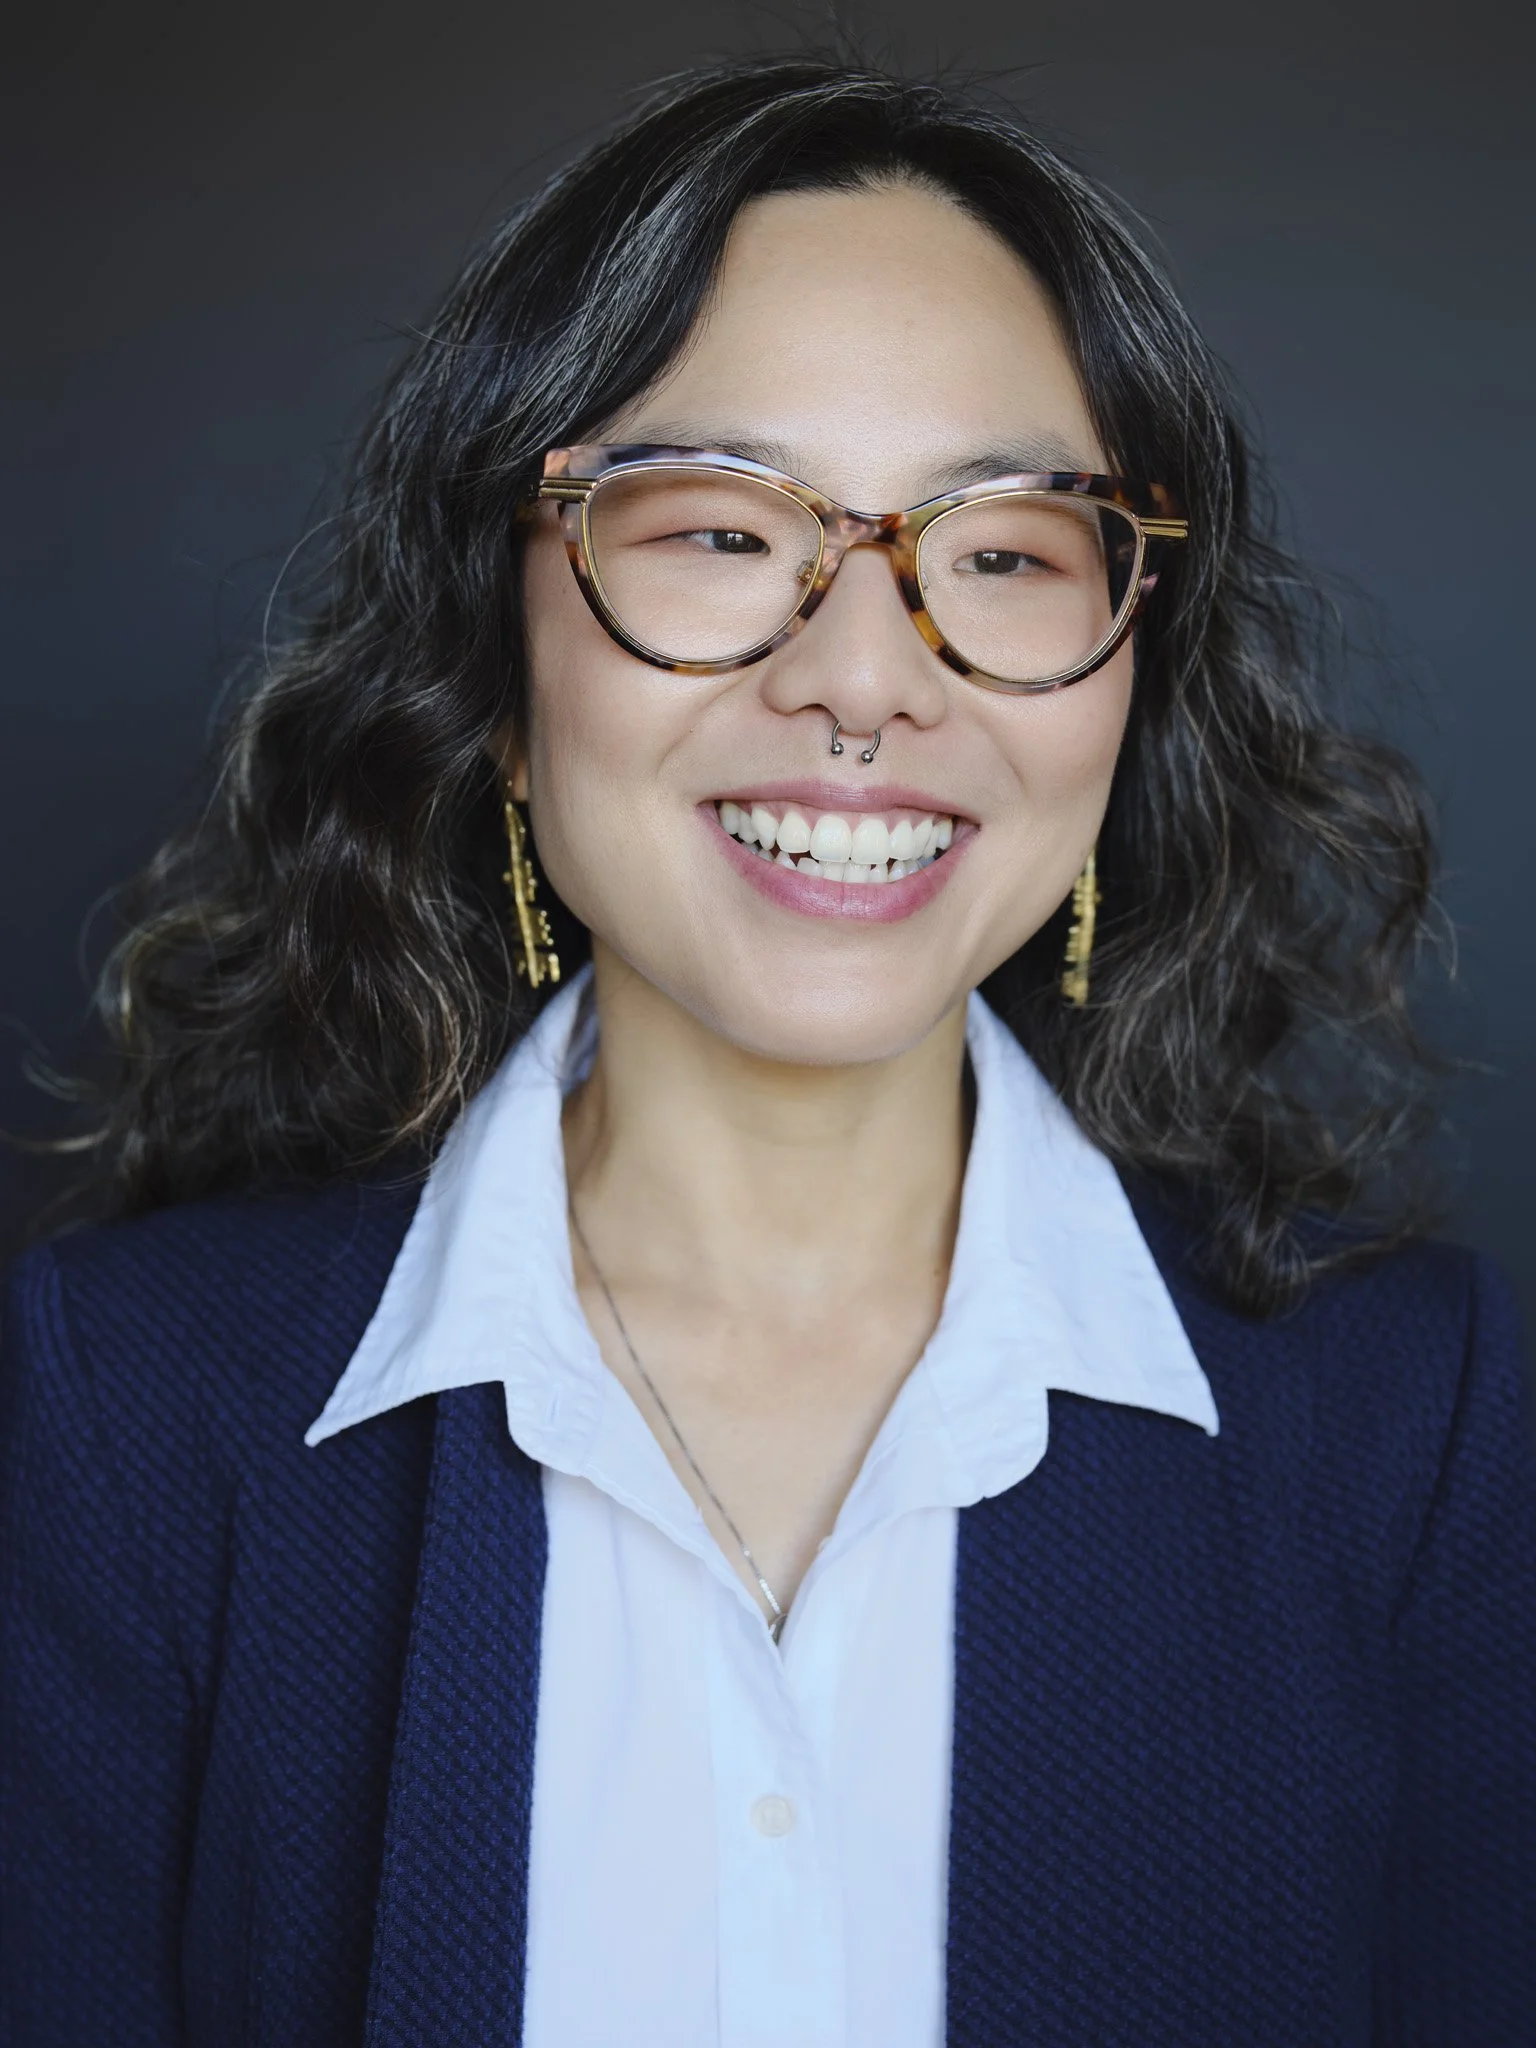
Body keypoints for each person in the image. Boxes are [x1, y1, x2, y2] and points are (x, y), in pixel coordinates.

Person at [2, 54, 1532, 2048]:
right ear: (490, 657)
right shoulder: (121, 1417)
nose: (864, 681)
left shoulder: (1413, 1430)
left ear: (1131, 678)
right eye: (721, 533)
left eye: (1000, 551)